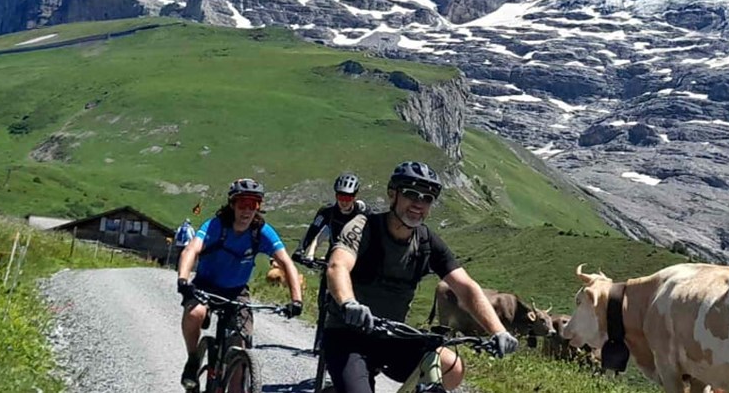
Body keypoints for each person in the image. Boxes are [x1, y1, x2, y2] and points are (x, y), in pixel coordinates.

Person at [321, 162, 519, 392]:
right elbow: (338, 266)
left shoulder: (426, 241)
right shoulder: (364, 226)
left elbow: (466, 288)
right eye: (411, 194)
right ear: (392, 194)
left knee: (450, 366)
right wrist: (348, 303)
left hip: (392, 337)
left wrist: (498, 331)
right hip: (348, 335)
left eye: (427, 198)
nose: (419, 203)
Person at [175, 178, 304, 390]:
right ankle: (192, 360)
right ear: (232, 205)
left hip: (237, 291)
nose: (247, 211)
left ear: (258, 207)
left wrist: (296, 300)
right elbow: (191, 250)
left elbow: (286, 263)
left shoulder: (261, 231)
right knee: (195, 313)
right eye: (242, 204)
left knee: (240, 347)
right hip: (206, 285)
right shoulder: (216, 226)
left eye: (253, 205)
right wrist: (183, 280)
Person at [293, 173, 368, 262]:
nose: (344, 202)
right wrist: (300, 250)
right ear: (336, 196)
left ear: (355, 197)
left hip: (356, 258)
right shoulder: (327, 212)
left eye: (348, 198)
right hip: (332, 258)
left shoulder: (364, 212)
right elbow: (312, 231)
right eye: (340, 197)